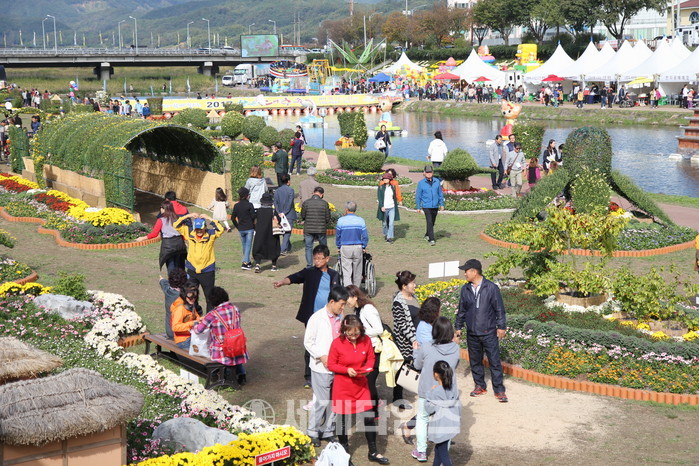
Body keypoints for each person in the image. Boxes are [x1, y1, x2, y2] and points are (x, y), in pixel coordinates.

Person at [274, 244, 341, 388]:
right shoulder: (309, 272)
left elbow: (337, 295)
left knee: (329, 343)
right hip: (312, 317)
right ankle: (309, 376)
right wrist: (282, 282)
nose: (317, 261)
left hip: (329, 317)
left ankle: (331, 371)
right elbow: (294, 277)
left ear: (327, 259)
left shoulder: (334, 275)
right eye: (315, 258)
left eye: (320, 258)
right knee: (311, 343)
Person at [328, 314, 390, 465]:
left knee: (369, 417)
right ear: (344, 331)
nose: (354, 337)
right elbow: (331, 364)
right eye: (350, 334)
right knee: (343, 421)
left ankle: (373, 451)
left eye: (356, 333)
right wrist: (346, 370)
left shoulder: (366, 340)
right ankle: (344, 455)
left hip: (361, 385)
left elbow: (371, 358)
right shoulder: (337, 343)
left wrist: (367, 368)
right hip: (343, 387)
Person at [454, 259, 508, 402]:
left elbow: (499, 309)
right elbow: (462, 310)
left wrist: (501, 326)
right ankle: (480, 386)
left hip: (489, 332)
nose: (464, 274)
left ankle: (499, 390)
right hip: (472, 333)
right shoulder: (465, 289)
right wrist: (458, 327)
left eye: (466, 271)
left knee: (494, 362)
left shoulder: (491, 288)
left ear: (474, 271)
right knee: (475, 361)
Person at [411, 316, 460, 463]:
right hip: (447, 392)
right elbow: (454, 366)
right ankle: (444, 451)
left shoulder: (426, 346)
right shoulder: (456, 349)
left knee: (423, 418)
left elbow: (417, 365)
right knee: (446, 423)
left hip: (427, 390)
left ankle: (421, 451)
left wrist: (415, 351)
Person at [303, 286, 348, 446]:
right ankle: (313, 431)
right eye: (341, 304)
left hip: (339, 367)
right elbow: (308, 342)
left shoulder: (341, 318)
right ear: (332, 302)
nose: (343, 308)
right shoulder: (316, 318)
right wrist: (321, 356)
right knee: (322, 401)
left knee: (335, 401)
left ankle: (328, 431)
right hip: (321, 367)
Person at [192, 286, 248, 386]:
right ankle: (242, 374)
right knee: (235, 353)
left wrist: (195, 324)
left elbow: (199, 330)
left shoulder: (212, 315)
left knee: (222, 353)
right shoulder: (235, 309)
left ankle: (225, 376)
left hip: (222, 349)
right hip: (237, 344)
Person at [345, 285, 383, 421]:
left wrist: (360, 332)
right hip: (365, 350)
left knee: (369, 382)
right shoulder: (357, 309)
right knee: (365, 381)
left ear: (355, 297)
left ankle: (374, 412)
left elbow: (379, 329)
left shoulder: (368, 309)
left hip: (373, 350)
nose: (346, 302)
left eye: (347, 298)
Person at [173, 213, 225, 312]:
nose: (199, 231)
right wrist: (188, 216)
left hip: (207, 271)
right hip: (192, 270)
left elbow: (221, 229)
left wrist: (208, 218)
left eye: (201, 229)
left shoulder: (211, 234)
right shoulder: (189, 232)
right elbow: (176, 225)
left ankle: (209, 317)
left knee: (209, 297)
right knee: (190, 295)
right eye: (197, 229)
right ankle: (196, 313)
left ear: (205, 227)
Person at [391, 270, 419, 409]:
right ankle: (397, 399)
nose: (415, 285)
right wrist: (413, 339)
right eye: (412, 283)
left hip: (417, 340)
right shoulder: (398, 303)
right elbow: (402, 325)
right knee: (402, 370)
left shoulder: (414, 297)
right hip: (405, 343)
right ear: (404, 286)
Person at [424, 360, 461, 466]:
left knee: (443, 453)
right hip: (451, 425)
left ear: (436, 374)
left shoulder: (434, 393)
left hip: (440, 427)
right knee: (438, 450)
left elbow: (429, 409)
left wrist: (430, 392)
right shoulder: (454, 390)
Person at [135, 200, 187, 273]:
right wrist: (185, 241)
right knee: (179, 265)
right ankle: (181, 279)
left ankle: (172, 279)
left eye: (161, 208)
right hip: (179, 243)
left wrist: (142, 238)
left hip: (168, 245)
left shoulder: (161, 220)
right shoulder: (178, 218)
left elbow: (154, 234)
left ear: (164, 209)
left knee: (171, 265)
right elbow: (183, 231)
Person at [335, 201, 369, 287]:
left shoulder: (341, 221)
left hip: (345, 247)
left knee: (346, 272)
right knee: (357, 271)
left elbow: (338, 235)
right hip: (357, 247)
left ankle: (348, 290)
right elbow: (365, 236)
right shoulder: (360, 220)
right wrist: (363, 246)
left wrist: (338, 246)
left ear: (346, 209)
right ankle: (356, 289)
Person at [301, 186, 331, 268]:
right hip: (321, 229)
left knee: (308, 247)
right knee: (323, 247)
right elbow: (327, 218)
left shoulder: (306, 202)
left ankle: (309, 265)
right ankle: (323, 263)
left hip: (308, 228)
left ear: (314, 193)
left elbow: (303, 216)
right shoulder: (324, 203)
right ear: (322, 194)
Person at [252, 192, 281, 273]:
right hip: (272, 233)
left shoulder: (258, 211)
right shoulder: (273, 211)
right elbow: (279, 220)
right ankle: (274, 266)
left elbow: (254, 220)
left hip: (260, 233)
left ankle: (257, 264)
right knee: (273, 248)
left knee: (258, 248)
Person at [415, 166, 444, 246]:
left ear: (432, 173)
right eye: (427, 172)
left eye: (430, 172)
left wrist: (441, 204)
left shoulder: (437, 181)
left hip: (435, 205)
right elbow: (418, 196)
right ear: (424, 173)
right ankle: (431, 239)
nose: (429, 174)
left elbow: (440, 193)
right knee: (429, 221)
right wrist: (418, 207)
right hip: (426, 205)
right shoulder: (421, 183)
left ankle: (427, 234)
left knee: (432, 222)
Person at [170, 279, 203, 349]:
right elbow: (175, 327)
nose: (193, 299)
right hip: (183, 340)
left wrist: (203, 319)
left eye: (195, 297)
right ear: (184, 295)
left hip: (191, 335)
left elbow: (196, 318)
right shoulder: (180, 308)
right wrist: (192, 324)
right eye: (190, 297)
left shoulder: (190, 304)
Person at [232, 187, 256, 271]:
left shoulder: (236, 205)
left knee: (244, 246)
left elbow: (232, 218)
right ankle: (244, 263)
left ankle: (248, 262)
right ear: (246, 196)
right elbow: (253, 216)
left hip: (241, 228)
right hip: (249, 228)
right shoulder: (250, 205)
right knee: (248, 245)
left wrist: (237, 226)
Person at [159, 268, 187, 339]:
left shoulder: (167, 291)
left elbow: (163, 283)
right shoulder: (185, 296)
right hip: (181, 332)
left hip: (170, 331)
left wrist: (162, 279)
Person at [274, 173, 297, 256]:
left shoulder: (277, 191)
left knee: (285, 231)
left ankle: (288, 246)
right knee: (287, 232)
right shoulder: (290, 190)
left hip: (279, 214)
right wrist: (284, 212)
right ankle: (283, 249)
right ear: (288, 181)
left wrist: (279, 212)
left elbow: (275, 203)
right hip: (288, 214)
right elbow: (289, 203)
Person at [377, 171, 401, 243]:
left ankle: (389, 237)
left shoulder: (393, 187)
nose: (385, 180)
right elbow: (380, 198)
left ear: (390, 179)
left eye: (386, 178)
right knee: (384, 223)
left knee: (391, 223)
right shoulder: (380, 187)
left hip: (392, 207)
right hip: (384, 208)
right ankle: (386, 233)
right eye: (384, 178)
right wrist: (382, 206)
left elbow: (395, 196)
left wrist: (399, 200)